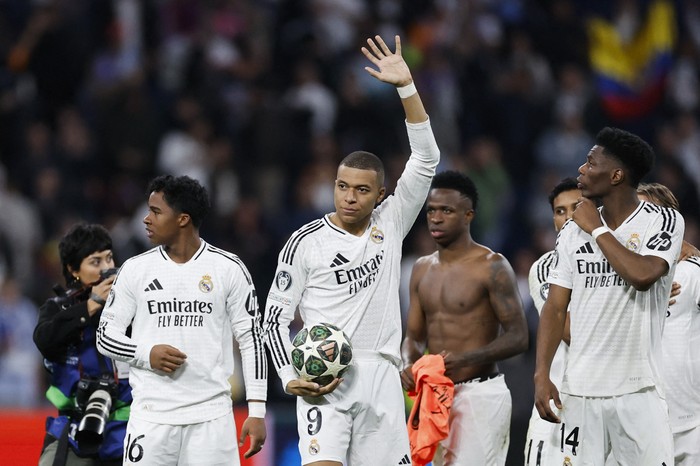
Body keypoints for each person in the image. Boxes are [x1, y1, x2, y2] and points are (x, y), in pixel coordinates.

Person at [263, 34, 440, 466]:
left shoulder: (392, 221)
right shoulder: (305, 242)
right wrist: (289, 377)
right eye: (342, 186)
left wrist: (406, 88)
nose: (349, 197)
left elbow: (427, 158)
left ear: (381, 194)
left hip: (382, 373)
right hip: (326, 378)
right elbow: (274, 318)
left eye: (362, 190)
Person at [534, 127, 685, 465]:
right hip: (580, 392)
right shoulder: (572, 232)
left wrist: (597, 229)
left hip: (639, 390)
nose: (581, 170)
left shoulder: (663, 221)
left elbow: (643, 275)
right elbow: (555, 308)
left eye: (590, 163)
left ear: (616, 175)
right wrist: (541, 373)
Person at [96, 175, 267, 465]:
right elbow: (105, 336)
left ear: (183, 219)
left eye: (156, 211)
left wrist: (257, 409)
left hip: (211, 418)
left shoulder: (228, 268)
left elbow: (252, 340)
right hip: (152, 417)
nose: (146, 219)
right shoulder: (135, 270)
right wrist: (146, 354)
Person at [400, 170, 529, 465]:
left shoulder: (492, 266)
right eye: (432, 210)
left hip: (481, 394)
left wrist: (464, 358)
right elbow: (414, 337)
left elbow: (519, 336)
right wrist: (409, 363)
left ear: (468, 214)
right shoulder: (420, 268)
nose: (436, 217)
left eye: (447, 210)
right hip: (435, 395)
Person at [33, 223, 131, 466]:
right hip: (75, 428)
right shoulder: (58, 308)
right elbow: (45, 340)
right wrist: (91, 305)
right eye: (95, 262)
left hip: (130, 429)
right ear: (73, 269)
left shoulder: (131, 305)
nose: (107, 268)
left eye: (109, 258)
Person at [636, 182, 700, 466]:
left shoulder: (691, 273)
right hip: (636, 421)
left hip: (691, 423)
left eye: (649, 213)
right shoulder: (613, 280)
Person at [523, 177, 579, 466]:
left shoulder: (619, 264)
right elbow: (569, 331)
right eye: (560, 211)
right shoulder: (546, 267)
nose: (568, 217)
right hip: (557, 404)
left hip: (606, 402)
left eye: (577, 207)